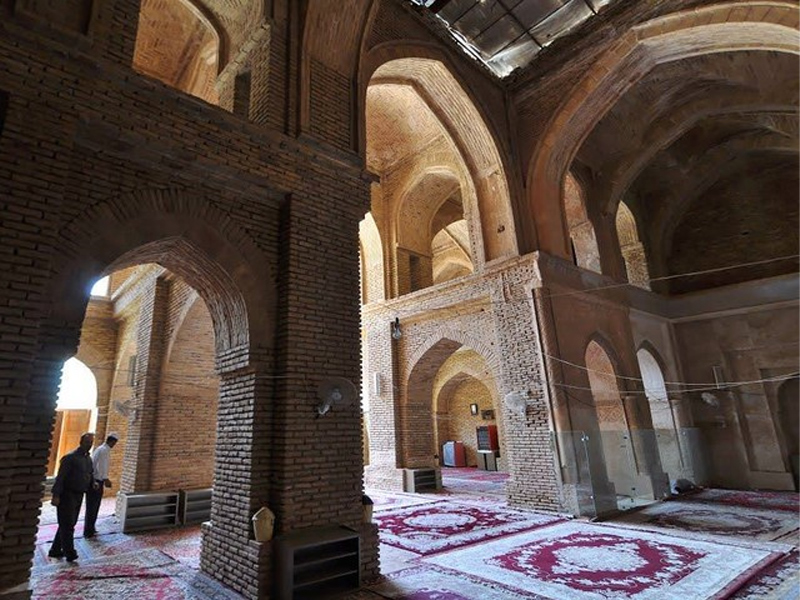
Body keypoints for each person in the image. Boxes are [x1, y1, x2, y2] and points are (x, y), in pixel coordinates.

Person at [49, 432, 95, 562]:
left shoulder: (88, 459)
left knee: (68, 522)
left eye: (91, 443)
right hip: (67, 494)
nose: (89, 445)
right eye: (87, 442)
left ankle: (55, 549)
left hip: (79, 494)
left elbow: (89, 474)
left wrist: (93, 483)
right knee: (68, 524)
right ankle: (70, 553)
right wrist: (56, 495)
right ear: (81, 442)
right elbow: (61, 477)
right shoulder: (70, 458)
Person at [84, 432, 118, 538]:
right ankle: (88, 531)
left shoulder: (102, 449)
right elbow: (100, 467)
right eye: (114, 443)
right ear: (112, 441)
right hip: (96, 482)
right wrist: (105, 479)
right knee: (92, 506)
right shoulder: (103, 450)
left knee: (94, 506)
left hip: (96, 481)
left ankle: (90, 528)